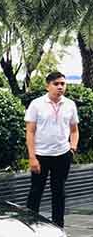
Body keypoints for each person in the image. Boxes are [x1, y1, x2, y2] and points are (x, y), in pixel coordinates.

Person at [25, 71, 79, 228]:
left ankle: (59, 227)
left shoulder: (70, 104)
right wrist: (32, 157)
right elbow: (30, 132)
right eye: (56, 84)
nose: (60, 87)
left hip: (62, 155)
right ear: (47, 86)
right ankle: (30, 225)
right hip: (41, 155)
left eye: (62, 84)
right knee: (36, 191)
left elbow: (74, 130)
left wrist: (72, 148)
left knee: (59, 192)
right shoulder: (36, 104)